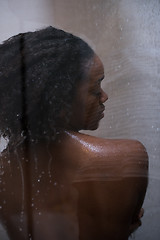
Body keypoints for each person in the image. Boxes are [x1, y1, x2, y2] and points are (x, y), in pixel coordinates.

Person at [0, 27, 148, 240]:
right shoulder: (127, 157)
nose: (104, 97)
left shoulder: (4, 170)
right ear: (60, 97)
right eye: (96, 86)